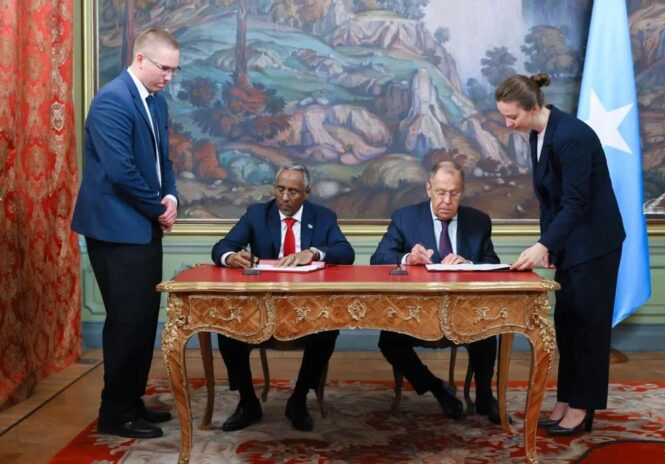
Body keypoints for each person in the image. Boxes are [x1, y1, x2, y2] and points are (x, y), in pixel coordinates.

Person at [495, 74, 625, 436]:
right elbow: (549, 200)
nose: (508, 124)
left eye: (512, 117)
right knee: (567, 326)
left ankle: (583, 407)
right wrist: (549, 243)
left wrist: (544, 246)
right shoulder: (538, 134)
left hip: (595, 245)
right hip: (571, 244)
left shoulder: (572, 136)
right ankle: (567, 398)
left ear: (533, 107)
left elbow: (575, 202)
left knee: (588, 329)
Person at [71, 28, 181, 438]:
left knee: (142, 321)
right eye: (164, 68)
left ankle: (132, 402)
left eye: (174, 69)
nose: (169, 76)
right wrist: (158, 210)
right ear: (140, 59)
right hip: (116, 231)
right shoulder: (111, 102)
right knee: (126, 321)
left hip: (144, 225)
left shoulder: (156, 100)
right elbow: (122, 174)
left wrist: (170, 197)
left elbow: (161, 159)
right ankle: (115, 414)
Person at [211, 162, 355, 432]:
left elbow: (346, 252)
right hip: (262, 306)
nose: (285, 198)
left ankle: (298, 399)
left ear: (307, 192)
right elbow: (222, 246)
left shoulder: (323, 217)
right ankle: (247, 401)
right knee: (226, 330)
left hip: (307, 307)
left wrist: (313, 252)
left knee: (327, 331)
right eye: (280, 190)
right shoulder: (257, 214)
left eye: (293, 191)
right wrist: (230, 257)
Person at [371, 161, 502, 423]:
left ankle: (485, 395)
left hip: (463, 312)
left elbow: (494, 265)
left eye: (454, 193)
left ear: (462, 192)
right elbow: (379, 258)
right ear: (428, 189)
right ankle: (436, 388)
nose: (447, 200)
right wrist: (408, 257)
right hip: (415, 312)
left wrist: (470, 264)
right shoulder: (405, 218)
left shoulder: (478, 222)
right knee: (388, 342)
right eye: (441, 192)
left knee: (487, 332)